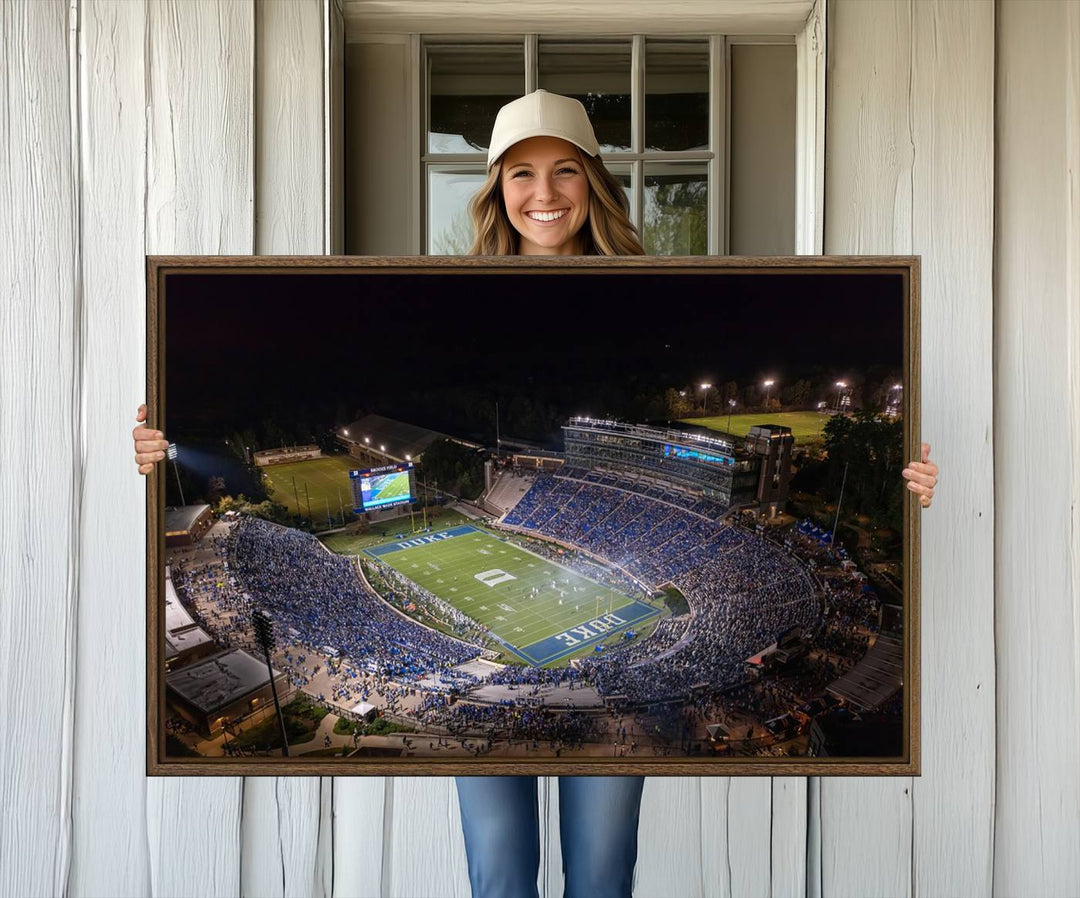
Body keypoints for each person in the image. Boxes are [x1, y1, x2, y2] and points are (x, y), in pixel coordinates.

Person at [132, 90, 939, 898]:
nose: (544, 194)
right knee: (500, 871)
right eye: (521, 173)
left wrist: (906, 480)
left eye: (564, 172)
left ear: (594, 181)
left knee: (601, 869)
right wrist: (152, 452)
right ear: (495, 188)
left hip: (602, 502)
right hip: (565, 483)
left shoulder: (652, 287)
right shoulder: (453, 292)